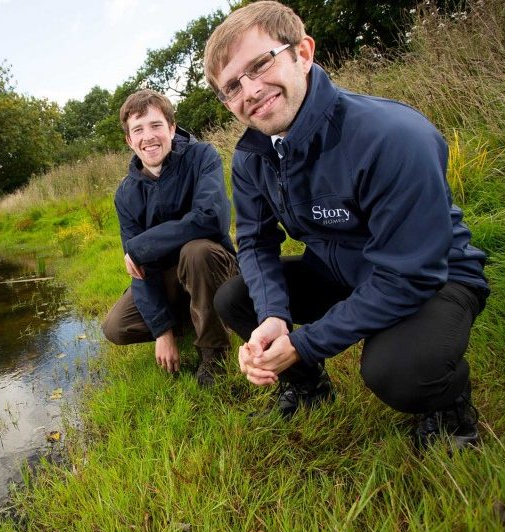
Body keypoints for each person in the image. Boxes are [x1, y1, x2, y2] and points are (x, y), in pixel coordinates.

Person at [202, 1, 489, 447]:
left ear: (304, 52)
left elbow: (408, 275)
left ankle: (449, 407)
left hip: (433, 276)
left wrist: (307, 341)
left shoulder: (392, 136)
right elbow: (257, 245)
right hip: (339, 271)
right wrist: (275, 318)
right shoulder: (250, 156)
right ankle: (307, 384)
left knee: (396, 371)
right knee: (236, 298)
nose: (250, 91)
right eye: (231, 87)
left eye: (260, 64)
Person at [101, 89, 237, 386]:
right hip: (168, 280)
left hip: (214, 264)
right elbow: (140, 270)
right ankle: (187, 321)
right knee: (115, 327)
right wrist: (162, 331)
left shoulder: (203, 156)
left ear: (172, 128)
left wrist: (140, 246)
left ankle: (214, 353)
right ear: (129, 140)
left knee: (196, 251)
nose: (148, 136)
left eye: (155, 125)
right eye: (138, 129)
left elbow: (212, 218)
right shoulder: (125, 194)